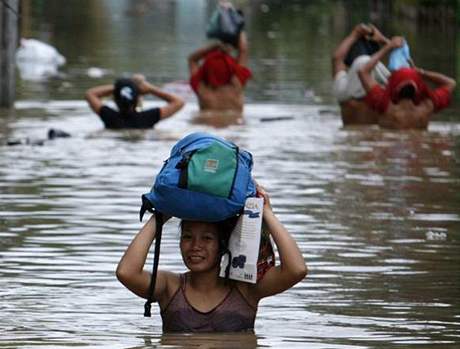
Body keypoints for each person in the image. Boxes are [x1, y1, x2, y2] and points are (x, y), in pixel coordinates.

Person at [116, 185, 307, 332]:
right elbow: (126, 272)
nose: (195, 246)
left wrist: (267, 213)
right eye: (187, 237)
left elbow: (296, 270)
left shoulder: (245, 288)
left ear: (223, 245)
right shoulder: (170, 286)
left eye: (207, 238)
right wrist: (159, 218)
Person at [358, 36, 456, 129]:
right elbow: (450, 83)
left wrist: (388, 47)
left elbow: (363, 72)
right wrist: (421, 72)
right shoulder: (427, 107)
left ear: (393, 85)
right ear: (419, 87)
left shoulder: (385, 106)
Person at [332, 24, 391, 125]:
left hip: (349, 137)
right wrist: (386, 42)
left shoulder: (343, 91)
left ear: (350, 62)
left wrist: (354, 34)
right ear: (376, 64)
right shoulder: (383, 96)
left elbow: (337, 59)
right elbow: (410, 74)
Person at [85, 74, 184, 129]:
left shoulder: (109, 116)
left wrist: (120, 87)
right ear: (138, 99)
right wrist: (150, 89)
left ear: (115, 99)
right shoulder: (148, 117)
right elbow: (178, 102)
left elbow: (90, 94)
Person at [188, 31, 252, 113]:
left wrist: (215, 46)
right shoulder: (237, 85)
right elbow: (243, 50)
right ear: (231, 70)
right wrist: (238, 28)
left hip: (205, 124)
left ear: (206, 71)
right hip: (235, 124)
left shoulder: (202, 90)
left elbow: (192, 60)